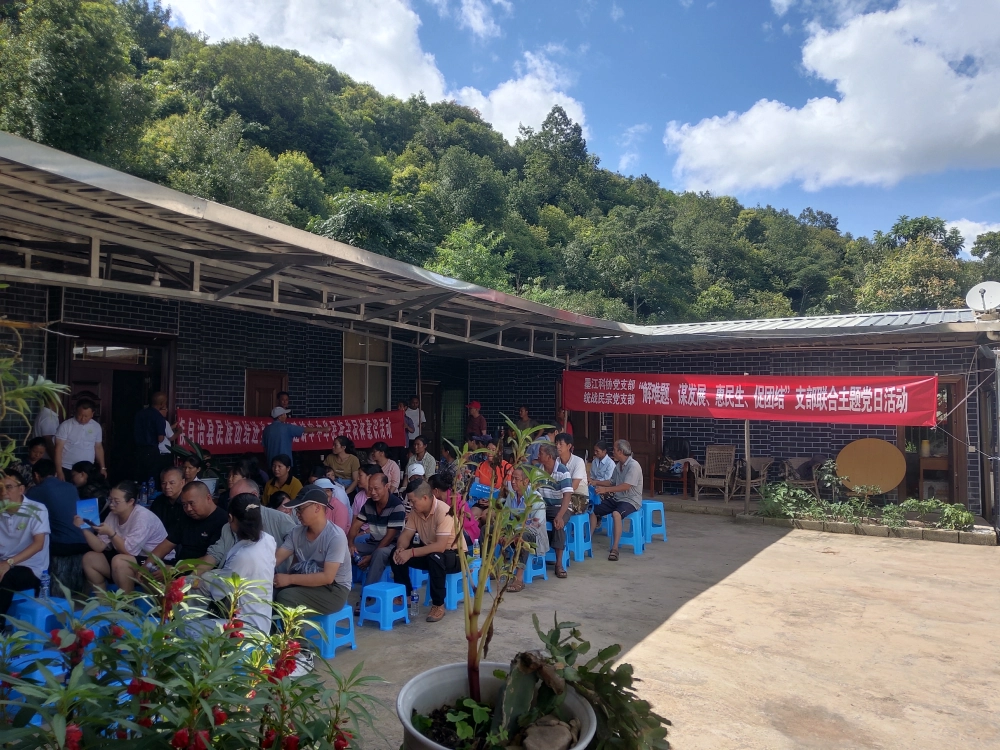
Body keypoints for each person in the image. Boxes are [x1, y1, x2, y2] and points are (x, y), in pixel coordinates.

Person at [195, 493, 276, 634]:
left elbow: (218, 592)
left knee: (187, 628)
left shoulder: (243, 556)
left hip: (245, 627)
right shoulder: (269, 540)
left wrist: (199, 580)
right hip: (263, 620)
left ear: (231, 518)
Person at [391, 480, 464, 623]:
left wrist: (410, 552)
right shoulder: (415, 512)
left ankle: (438, 605)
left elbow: (440, 546)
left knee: (435, 557)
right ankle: (406, 595)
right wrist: (401, 549)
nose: (410, 504)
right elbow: (405, 535)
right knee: (395, 554)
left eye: (413, 501)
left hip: (455, 555)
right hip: (432, 552)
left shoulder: (443, 511)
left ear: (425, 498)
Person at [75, 480, 168, 592]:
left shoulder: (142, 517)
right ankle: (103, 600)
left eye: (116, 501)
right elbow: (99, 547)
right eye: (110, 500)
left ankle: (127, 601)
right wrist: (83, 528)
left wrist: (111, 533)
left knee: (119, 561)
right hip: (132, 558)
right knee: (89, 558)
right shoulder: (113, 514)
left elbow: (129, 551)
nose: (111, 504)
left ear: (131, 501)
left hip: (154, 561)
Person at [274, 486, 352, 617]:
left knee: (287, 597)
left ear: (317, 508)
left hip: (334, 590)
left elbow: (327, 577)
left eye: (300, 509)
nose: (297, 514)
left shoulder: (335, 536)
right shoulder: (296, 532)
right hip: (307, 581)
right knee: (271, 593)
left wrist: (289, 579)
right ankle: (273, 631)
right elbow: (276, 558)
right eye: (297, 510)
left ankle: (296, 632)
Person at [196, 481, 294, 577]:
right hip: (229, 575)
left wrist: (290, 578)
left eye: (238, 499)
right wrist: (193, 576)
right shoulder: (228, 526)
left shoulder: (279, 519)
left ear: (254, 496)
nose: (234, 505)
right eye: (231, 500)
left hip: (268, 578)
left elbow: (297, 544)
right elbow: (215, 554)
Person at [0, 470, 50, 628]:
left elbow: (38, 544)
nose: (4, 493)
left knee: (5, 577)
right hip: (3, 562)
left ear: (21, 489)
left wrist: (8, 563)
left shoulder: (37, 509)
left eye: (9, 487)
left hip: (31, 567)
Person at [147, 482, 228, 567]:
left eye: (192, 503)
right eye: (184, 505)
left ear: (208, 498)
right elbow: (166, 545)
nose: (188, 509)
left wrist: (174, 569)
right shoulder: (185, 517)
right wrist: (146, 566)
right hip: (178, 565)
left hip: (202, 571)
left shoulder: (223, 521)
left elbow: (211, 559)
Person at [589, 439, 644, 562]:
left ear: (620, 451)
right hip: (617, 498)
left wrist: (605, 490)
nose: (612, 451)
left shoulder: (633, 466)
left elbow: (626, 486)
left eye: (614, 449)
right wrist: (596, 483)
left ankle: (615, 548)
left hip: (631, 500)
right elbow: (612, 482)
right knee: (593, 510)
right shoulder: (618, 465)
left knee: (616, 514)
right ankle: (588, 539)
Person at [347, 473, 404, 587]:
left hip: (392, 547)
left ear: (387, 486)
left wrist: (370, 557)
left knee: (379, 553)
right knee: (344, 550)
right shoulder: (369, 504)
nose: (372, 492)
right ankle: (341, 586)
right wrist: (351, 544)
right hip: (373, 543)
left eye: (376, 488)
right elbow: (355, 526)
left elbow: (389, 538)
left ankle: (368, 593)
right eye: (370, 488)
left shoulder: (397, 506)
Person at [27, 459, 88, 559]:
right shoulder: (71, 487)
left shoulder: (35, 491)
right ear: (55, 473)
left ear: (36, 475)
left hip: (62, 543)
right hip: (85, 539)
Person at [501, 466, 547, 593]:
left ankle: (519, 578)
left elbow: (536, 524)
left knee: (522, 537)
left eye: (516, 479)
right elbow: (505, 516)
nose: (513, 482)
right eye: (512, 478)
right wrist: (502, 532)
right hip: (513, 531)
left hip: (533, 535)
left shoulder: (536, 498)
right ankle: (492, 568)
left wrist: (514, 533)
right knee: (488, 529)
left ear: (526, 481)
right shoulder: (512, 496)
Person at [536, 443, 572, 579]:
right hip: (543, 506)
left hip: (560, 506)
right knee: (531, 522)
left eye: (541, 453)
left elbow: (567, 496)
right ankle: (538, 555)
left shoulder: (563, 471)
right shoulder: (537, 470)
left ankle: (559, 564)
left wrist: (560, 515)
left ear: (549, 457)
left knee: (558, 524)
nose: (538, 455)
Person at [54, 399, 105, 482]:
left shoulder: (96, 427)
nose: (82, 419)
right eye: (80, 415)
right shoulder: (66, 425)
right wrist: (59, 471)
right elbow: (58, 449)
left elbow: (98, 447)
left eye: (86, 416)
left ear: (92, 414)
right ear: (75, 412)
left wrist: (102, 467)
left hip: (88, 469)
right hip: (67, 467)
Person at [262, 407, 326, 467]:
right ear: (279, 417)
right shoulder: (287, 427)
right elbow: (304, 430)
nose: (286, 416)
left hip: (271, 464)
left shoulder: (266, 429)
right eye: (284, 414)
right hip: (284, 464)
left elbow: (265, 448)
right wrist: (321, 429)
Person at [429, 472, 479, 545]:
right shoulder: (442, 498)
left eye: (429, 490)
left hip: (467, 534)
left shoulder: (455, 500)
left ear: (436, 491)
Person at [134, 392, 168, 484]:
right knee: (152, 476)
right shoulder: (158, 417)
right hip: (151, 450)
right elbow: (160, 438)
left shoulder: (140, 413)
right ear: (162, 403)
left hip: (138, 449)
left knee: (140, 475)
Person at [555, 432, 589, 514]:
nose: (557, 446)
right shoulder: (556, 461)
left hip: (579, 497)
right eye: (556, 444)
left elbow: (574, 486)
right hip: (560, 495)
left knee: (558, 507)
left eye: (560, 444)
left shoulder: (578, 461)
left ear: (569, 446)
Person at [149, 467, 187, 536]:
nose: (167, 487)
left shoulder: (188, 503)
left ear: (182, 483)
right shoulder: (158, 502)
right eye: (164, 483)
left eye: (172, 483)